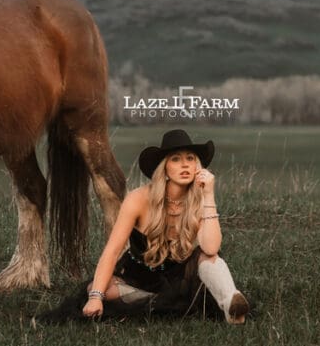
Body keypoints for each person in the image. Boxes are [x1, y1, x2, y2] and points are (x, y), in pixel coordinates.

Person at [82, 129, 249, 323]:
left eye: (190, 158)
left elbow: (211, 248)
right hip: (140, 279)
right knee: (100, 289)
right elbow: (112, 251)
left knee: (207, 257)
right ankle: (162, 303)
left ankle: (232, 305)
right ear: (164, 169)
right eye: (176, 159)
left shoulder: (200, 199)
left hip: (184, 279)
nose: (185, 164)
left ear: (198, 166)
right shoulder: (138, 199)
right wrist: (95, 297)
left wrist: (209, 196)